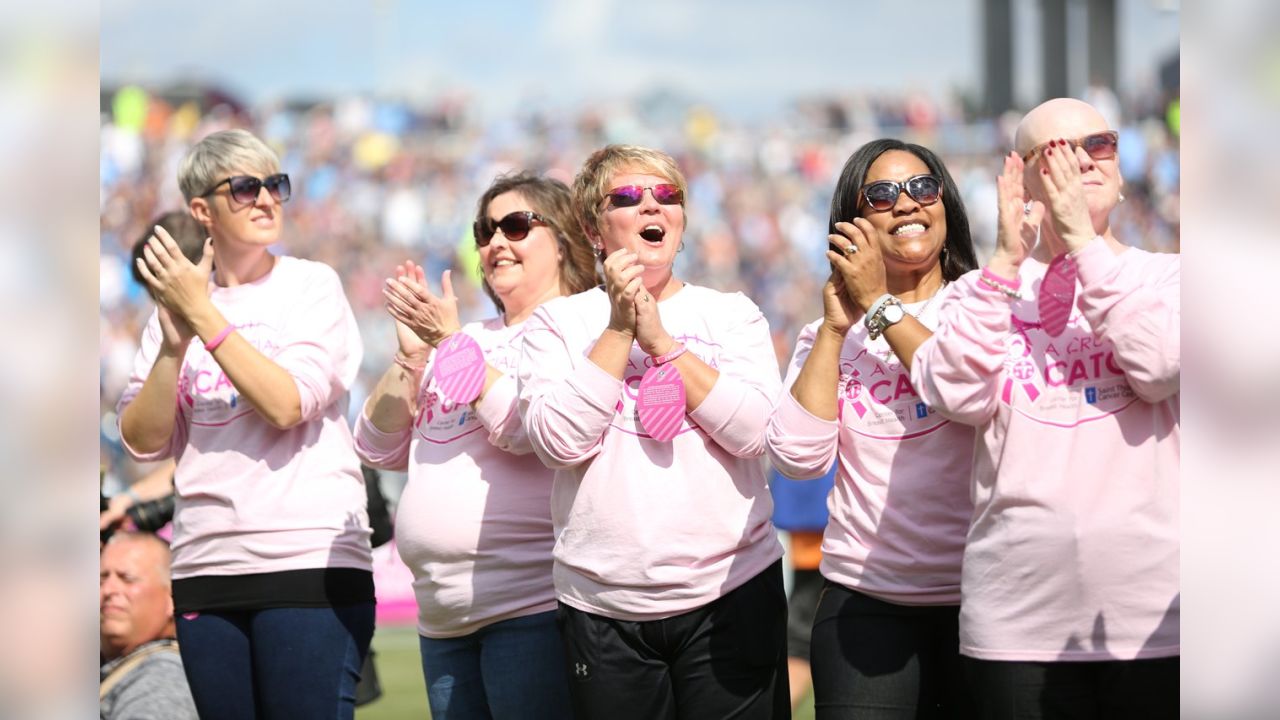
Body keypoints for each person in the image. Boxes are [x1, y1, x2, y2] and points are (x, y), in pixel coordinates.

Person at [911, 98, 1180, 718]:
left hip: (1155, 614)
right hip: (1018, 618)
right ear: (1021, 175)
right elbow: (956, 395)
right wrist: (1006, 262)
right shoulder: (980, 292)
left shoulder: (1169, 278)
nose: (1085, 160)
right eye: (1060, 151)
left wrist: (1084, 245)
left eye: (1102, 144)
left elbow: (1159, 366)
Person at [518, 144, 789, 718]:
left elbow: (754, 433)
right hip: (603, 603)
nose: (652, 207)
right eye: (628, 197)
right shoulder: (558, 324)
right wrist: (620, 327)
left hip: (730, 591)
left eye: (667, 196)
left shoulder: (731, 313)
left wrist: (663, 344)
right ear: (595, 227)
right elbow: (559, 442)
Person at [116, 128, 375, 719]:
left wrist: (202, 315)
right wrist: (171, 348)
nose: (266, 199)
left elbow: (287, 405)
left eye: (275, 184)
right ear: (201, 210)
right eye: (245, 187)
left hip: (305, 562)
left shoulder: (310, 285)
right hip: (205, 564)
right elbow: (144, 439)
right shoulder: (174, 312)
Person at [354, 171, 598, 719]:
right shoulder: (472, 337)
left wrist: (449, 342)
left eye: (515, 225)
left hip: (530, 608)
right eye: (484, 231)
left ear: (562, 241)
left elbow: (522, 430)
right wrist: (415, 357)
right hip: (442, 621)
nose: (495, 244)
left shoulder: (579, 328)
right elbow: (375, 444)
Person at [765, 139, 980, 717]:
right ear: (852, 226)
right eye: (882, 194)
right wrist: (837, 329)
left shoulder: (985, 305)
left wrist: (880, 306)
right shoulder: (824, 335)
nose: (906, 203)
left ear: (946, 204)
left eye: (922, 187)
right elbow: (796, 456)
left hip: (982, 598)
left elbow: (960, 391)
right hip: (864, 599)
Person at [100, 531, 197, 720]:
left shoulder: (164, 676)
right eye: (101, 579)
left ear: (172, 598)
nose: (107, 590)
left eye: (127, 578)